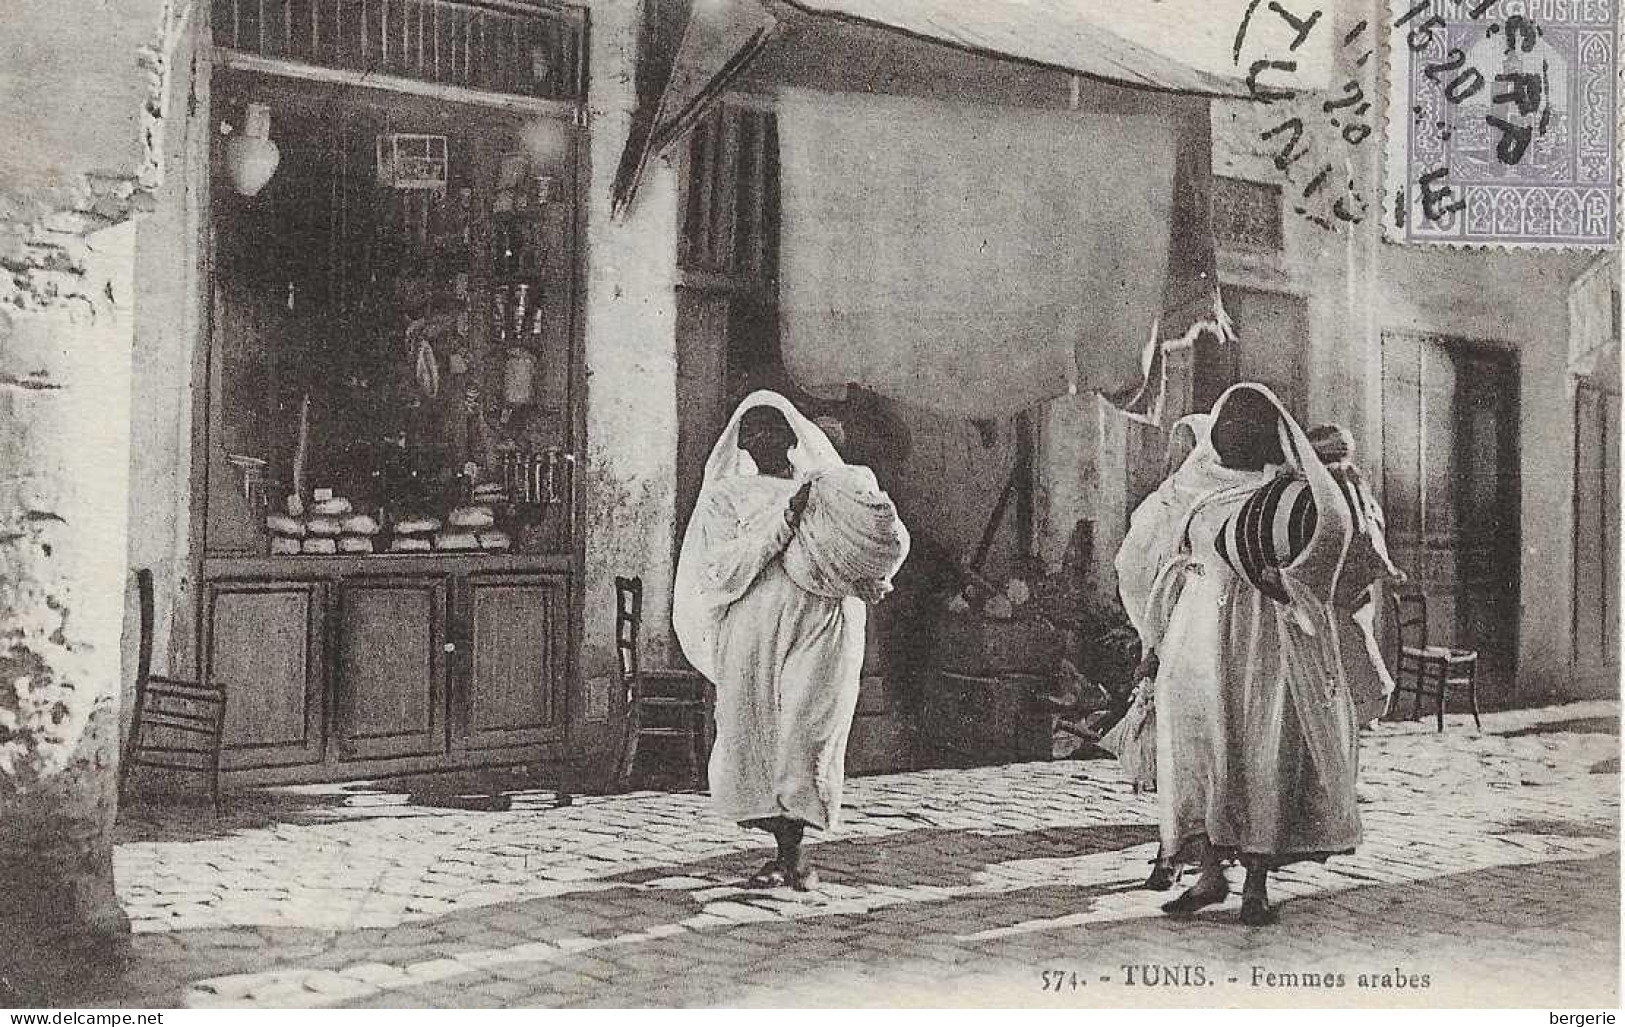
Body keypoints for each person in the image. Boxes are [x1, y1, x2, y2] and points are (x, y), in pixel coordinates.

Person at [1143, 383, 1363, 926]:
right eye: (1227, 426)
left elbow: (1321, 568)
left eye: (1243, 428)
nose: (1230, 437)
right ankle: (1211, 877)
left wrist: (1283, 586)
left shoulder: (1292, 496)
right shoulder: (1205, 497)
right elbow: (1179, 571)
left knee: (1258, 756)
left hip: (1262, 648)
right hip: (1199, 646)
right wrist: (1156, 645)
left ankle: (1256, 885)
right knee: (1208, 755)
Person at [674, 391, 909, 890]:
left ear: (792, 438)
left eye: (774, 431)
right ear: (740, 440)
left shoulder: (825, 488)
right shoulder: (725, 496)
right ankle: (785, 852)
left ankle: (795, 854)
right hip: (753, 629)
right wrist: (783, 523)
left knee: (805, 733)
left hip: (822, 625)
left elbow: (871, 540)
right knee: (756, 738)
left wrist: (865, 572)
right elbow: (719, 568)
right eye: (753, 432)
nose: (763, 441)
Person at [1112, 414, 1226, 891]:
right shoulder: (1187, 501)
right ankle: (1176, 852)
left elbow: (1138, 571)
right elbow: (1139, 569)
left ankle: (1179, 855)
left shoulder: (1179, 502)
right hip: (1186, 637)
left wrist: (1151, 635)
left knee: (1192, 752)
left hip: (1187, 636)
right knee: (1189, 752)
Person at [1308, 424, 1407, 727]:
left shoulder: (1341, 482)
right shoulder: (1349, 481)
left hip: (1344, 581)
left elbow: (1363, 532)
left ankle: (1362, 705)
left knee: (1348, 643)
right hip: (1351, 579)